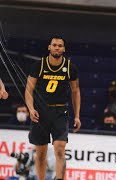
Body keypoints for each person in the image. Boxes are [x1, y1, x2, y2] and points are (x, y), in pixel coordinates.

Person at [25, 36, 81, 180]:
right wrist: (31, 109)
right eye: (54, 45)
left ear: (64, 49)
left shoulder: (70, 68)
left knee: (60, 148)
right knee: (41, 153)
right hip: (40, 112)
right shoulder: (39, 65)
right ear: (49, 47)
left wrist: (77, 116)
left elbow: (76, 92)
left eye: (60, 45)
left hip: (60, 111)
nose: (57, 47)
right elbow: (28, 90)